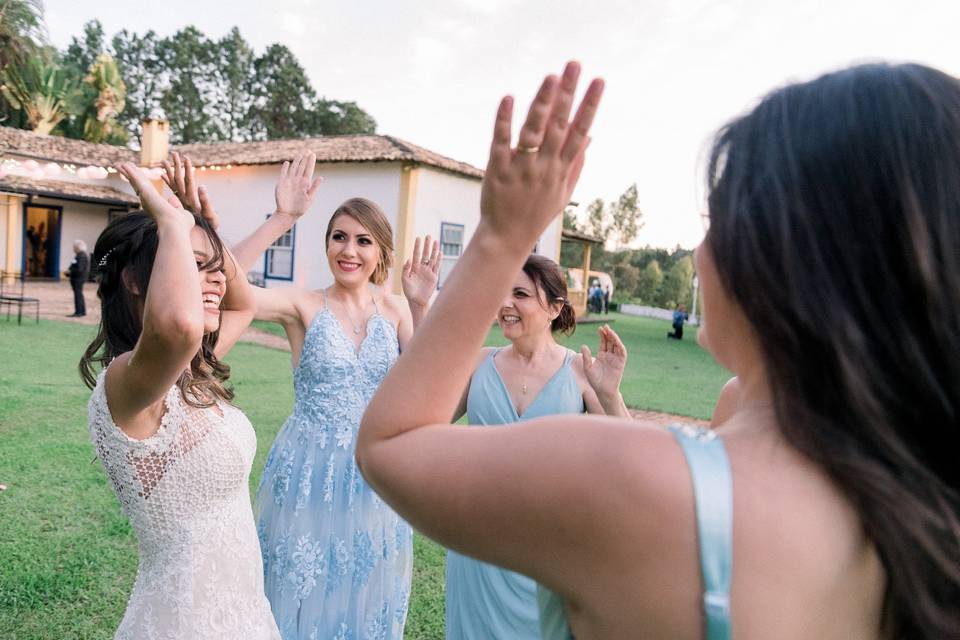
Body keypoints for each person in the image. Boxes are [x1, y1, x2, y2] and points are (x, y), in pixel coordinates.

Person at [357, 61, 960, 639]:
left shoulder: (640, 482)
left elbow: (390, 445)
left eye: (715, 217)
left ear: (784, 252)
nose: (699, 253)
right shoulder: (925, 499)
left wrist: (501, 237)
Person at [222, 151, 439, 639]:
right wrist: (283, 218)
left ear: (381, 251)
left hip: (376, 475)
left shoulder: (400, 309)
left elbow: (428, 388)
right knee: (301, 592)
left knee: (364, 594)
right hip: (308, 474)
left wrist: (422, 304)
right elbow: (224, 279)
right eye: (339, 237)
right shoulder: (301, 305)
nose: (349, 250)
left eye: (363, 240)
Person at [80, 162, 279, 639]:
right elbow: (178, 325)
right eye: (195, 266)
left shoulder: (192, 372)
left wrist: (203, 228)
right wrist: (173, 225)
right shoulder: (128, 384)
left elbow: (242, 303)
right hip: (185, 620)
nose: (214, 281)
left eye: (214, 268)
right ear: (133, 280)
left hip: (243, 608)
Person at [445, 254, 629, 640]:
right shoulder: (478, 364)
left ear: (555, 308)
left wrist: (609, 395)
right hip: (478, 546)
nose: (506, 304)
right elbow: (420, 425)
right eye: (502, 292)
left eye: (521, 294)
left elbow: (632, 456)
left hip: (550, 549)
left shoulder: (580, 372)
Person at [65, 239, 90, 317]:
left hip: (78, 279)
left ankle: (79, 312)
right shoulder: (78, 255)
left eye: (74, 247)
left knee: (78, 295)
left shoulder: (81, 256)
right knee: (79, 294)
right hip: (77, 278)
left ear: (78, 247)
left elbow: (79, 269)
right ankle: (82, 311)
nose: (73, 249)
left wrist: (70, 272)